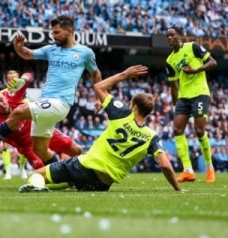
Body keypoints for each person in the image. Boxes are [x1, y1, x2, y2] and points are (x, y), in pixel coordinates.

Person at [18, 65, 183, 193]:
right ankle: (48, 185)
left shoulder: (121, 113)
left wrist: (124, 75)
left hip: (86, 166)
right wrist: (178, 188)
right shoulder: (153, 137)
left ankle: (37, 186)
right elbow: (166, 166)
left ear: (133, 107)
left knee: (38, 174)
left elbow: (98, 87)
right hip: (103, 184)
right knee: (69, 183)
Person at [0, 15, 101, 166]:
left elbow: (95, 74)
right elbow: (28, 54)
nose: (54, 36)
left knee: (18, 111)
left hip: (61, 103)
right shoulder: (51, 49)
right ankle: (65, 176)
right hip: (46, 102)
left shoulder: (85, 53)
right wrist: (19, 48)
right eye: (53, 32)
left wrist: (98, 98)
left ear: (69, 31)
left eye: (57, 32)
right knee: (40, 149)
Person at [0, 71, 83, 174]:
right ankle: (68, 178)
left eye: (1, 100)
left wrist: (23, 80)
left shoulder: (12, 94)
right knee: (42, 168)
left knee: (77, 150)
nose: (1, 105)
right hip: (27, 146)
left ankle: (86, 172)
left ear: (4, 97)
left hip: (41, 128)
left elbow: (29, 76)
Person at [165, 25, 217, 183]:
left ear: (180, 35)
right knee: (177, 129)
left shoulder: (193, 47)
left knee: (199, 131)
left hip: (200, 93)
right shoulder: (169, 60)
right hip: (183, 97)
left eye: (172, 35)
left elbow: (212, 62)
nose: (169, 38)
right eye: (167, 36)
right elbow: (173, 85)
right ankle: (187, 170)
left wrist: (195, 70)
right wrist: (175, 105)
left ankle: (209, 167)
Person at [0, 70, 29, 180]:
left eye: (14, 79)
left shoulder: (22, 93)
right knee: (5, 146)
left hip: (21, 123)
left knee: (23, 148)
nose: (11, 81)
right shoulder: (2, 93)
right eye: (9, 79)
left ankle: (22, 168)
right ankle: (8, 172)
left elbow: (26, 105)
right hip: (7, 122)